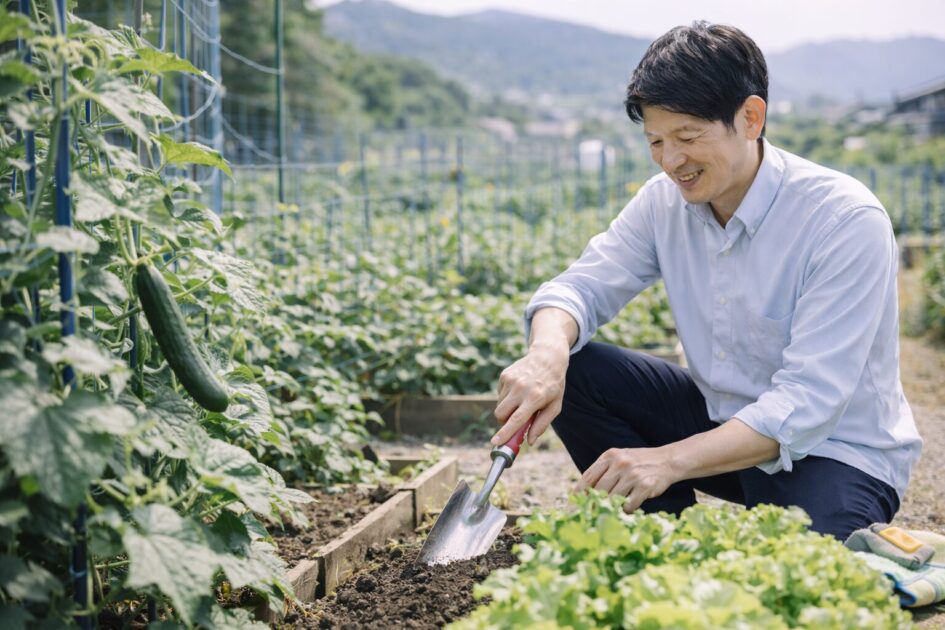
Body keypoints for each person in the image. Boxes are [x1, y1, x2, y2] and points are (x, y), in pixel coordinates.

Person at [490, 21, 923, 540]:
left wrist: (667, 460)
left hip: (834, 453)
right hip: (722, 431)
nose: (672, 161)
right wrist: (546, 355)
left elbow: (808, 403)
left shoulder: (843, 220)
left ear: (750, 117)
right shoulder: (663, 203)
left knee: (802, 573)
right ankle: (656, 539)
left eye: (688, 137)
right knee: (577, 368)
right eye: (656, 141)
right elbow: (579, 288)